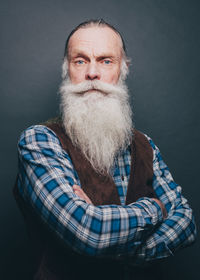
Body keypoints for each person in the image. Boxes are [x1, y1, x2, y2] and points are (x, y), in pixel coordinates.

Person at [14, 19, 196, 280]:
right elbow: (89, 232)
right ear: (67, 69)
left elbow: (187, 226)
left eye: (105, 61)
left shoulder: (146, 145)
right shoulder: (39, 141)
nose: (92, 73)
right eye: (80, 61)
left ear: (123, 70)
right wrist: (156, 208)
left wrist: (115, 245)